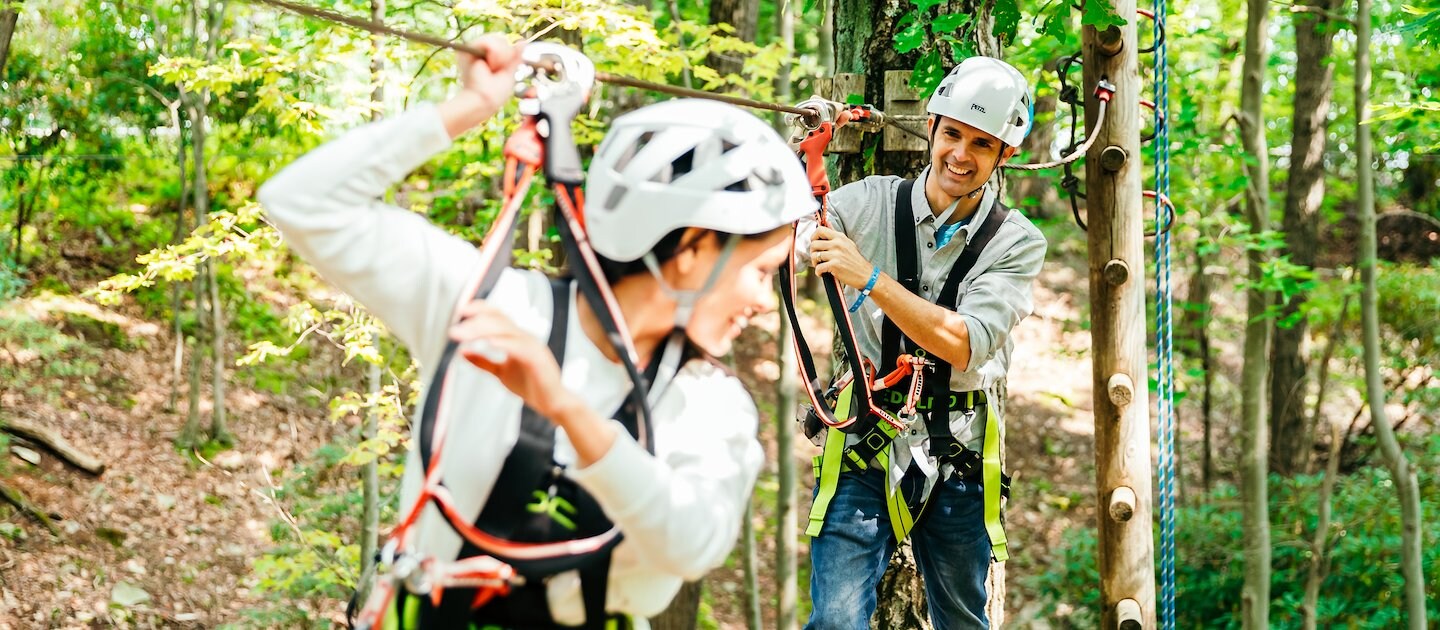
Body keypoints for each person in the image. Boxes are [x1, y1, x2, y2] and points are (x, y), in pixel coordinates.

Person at [258, 36, 815, 628]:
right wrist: (470, 105)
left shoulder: (708, 401)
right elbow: (300, 201)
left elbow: (692, 543)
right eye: (760, 272)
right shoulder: (493, 309)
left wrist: (564, 407)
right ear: (693, 249)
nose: (764, 303)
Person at [798, 56, 1048, 629]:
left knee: (962, 619)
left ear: (1003, 155)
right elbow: (786, 235)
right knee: (835, 621)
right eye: (953, 134)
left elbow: (966, 343)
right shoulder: (865, 204)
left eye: (981, 144)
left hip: (958, 449)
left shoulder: (1015, 243)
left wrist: (870, 278)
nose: (960, 155)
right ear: (932, 127)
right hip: (867, 436)